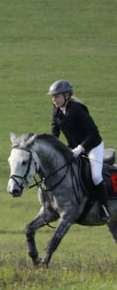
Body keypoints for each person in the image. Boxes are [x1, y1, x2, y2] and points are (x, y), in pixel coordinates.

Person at [49, 79, 111, 221]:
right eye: (53, 97)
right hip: (74, 147)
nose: (54, 99)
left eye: (57, 96)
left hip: (93, 145)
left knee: (96, 176)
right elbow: (55, 132)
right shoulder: (56, 110)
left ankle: (104, 208)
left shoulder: (77, 109)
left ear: (67, 96)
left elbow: (93, 132)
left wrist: (81, 148)